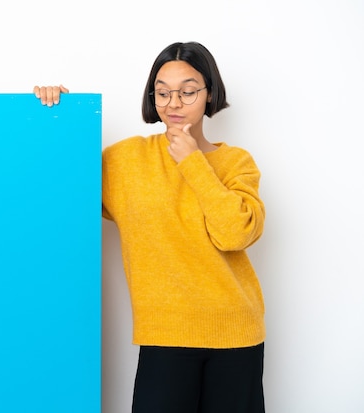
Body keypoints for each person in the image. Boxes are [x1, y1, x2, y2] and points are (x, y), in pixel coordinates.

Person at [34, 41, 266, 413]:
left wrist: (192, 161)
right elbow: (62, 191)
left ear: (209, 94)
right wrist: (58, 118)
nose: (173, 103)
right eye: (162, 92)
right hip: (165, 335)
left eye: (188, 91)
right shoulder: (127, 160)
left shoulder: (236, 163)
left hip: (235, 335)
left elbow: (235, 233)